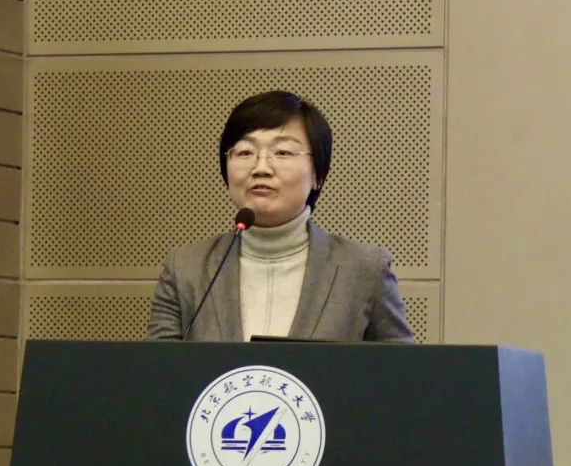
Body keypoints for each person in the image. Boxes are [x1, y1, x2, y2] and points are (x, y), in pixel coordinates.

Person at [146, 90, 414, 343]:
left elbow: (402, 371)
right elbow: (158, 369)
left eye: (283, 152)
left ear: (318, 175)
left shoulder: (365, 270)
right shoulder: (186, 269)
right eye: (245, 152)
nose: (261, 168)